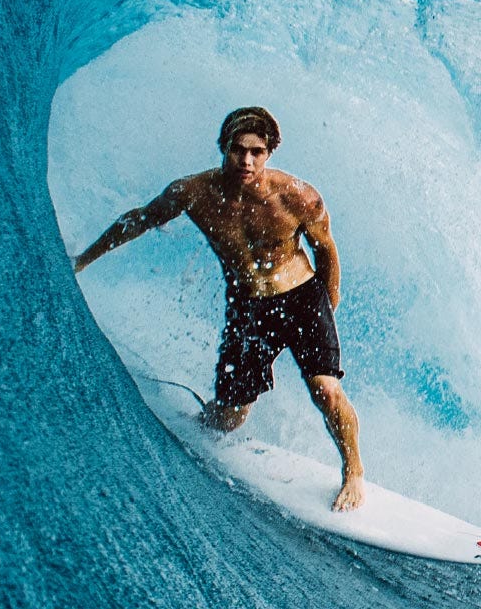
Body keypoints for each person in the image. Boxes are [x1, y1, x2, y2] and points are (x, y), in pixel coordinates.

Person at [72, 107, 365, 512]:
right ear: (223, 149)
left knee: (326, 389)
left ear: (270, 152)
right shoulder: (193, 193)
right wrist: (83, 259)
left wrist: (327, 310)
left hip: (300, 299)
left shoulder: (298, 197)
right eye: (238, 150)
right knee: (229, 417)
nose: (246, 161)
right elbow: (139, 220)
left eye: (257, 152)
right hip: (249, 308)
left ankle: (354, 473)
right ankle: (203, 418)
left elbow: (326, 252)